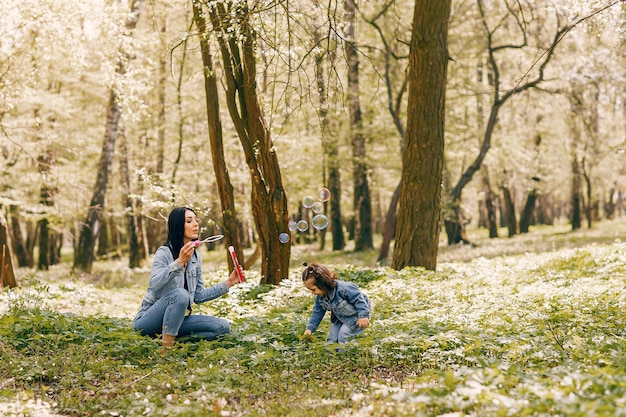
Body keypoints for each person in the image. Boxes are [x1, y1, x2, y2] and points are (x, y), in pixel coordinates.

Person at [134, 207, 241, 348]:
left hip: (174, 320)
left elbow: (198, 296)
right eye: (189, 221)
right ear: (178, 226)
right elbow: (154, 284)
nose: (196, 224)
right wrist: (179, 263)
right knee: (180, 294)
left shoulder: (195, 257)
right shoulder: (164, 252)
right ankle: (166, 352)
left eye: (196, 220)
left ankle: (170, 341)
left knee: (223, 327)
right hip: (148, 322)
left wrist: (229, 283)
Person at [302, 262, 371, 344]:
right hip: (340, 318)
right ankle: (332, 355)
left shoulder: (344, 288)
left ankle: (344, 355)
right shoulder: (320, 297)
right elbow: (317, 312)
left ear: (323, 283)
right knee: (332, 337)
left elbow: (359, 300)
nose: (313, 293)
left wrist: (363, 316)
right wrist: (310, 329)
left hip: (355, 318)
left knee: (344, 334)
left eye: (313, 289)